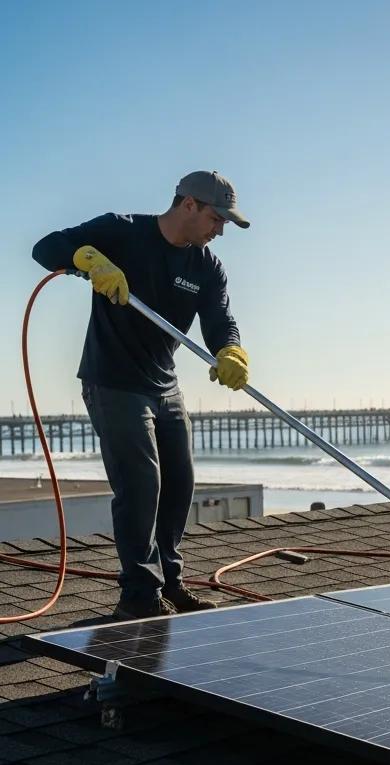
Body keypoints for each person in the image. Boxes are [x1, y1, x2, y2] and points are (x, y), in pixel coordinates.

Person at [32, 170, 251, 620]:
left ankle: (170, 581)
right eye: (217, 218)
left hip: (163, 383)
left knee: (179, 483)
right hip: (112, 379)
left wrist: (230, 349)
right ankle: (138, 595)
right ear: (188, 204)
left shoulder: (205, 265)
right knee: (140, 485)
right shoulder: (122, 230)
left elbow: (219, 319)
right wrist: (87, 258)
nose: (220, 230)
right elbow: (44, 248)